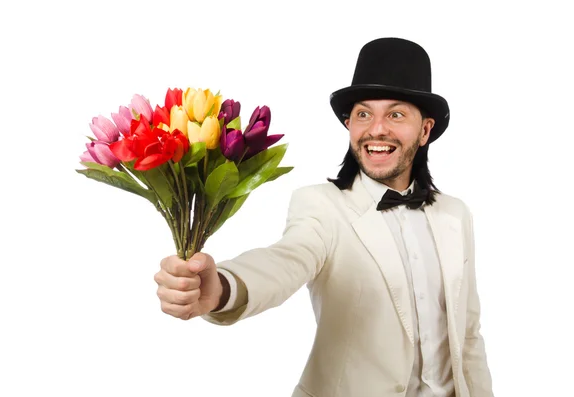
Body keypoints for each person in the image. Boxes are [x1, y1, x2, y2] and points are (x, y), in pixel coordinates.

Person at [154, 37, 494, 397]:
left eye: (396, 114)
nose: (376, 129)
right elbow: (286, 259)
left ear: (425, 130)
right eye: (364, 114)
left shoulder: (455, 215)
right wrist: (223, 287)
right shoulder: (320, 205)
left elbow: (468, 334)